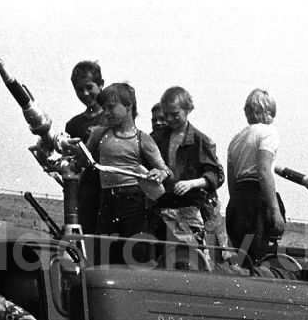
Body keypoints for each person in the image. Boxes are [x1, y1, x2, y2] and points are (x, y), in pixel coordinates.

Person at [81, 82, 170, 263]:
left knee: (136, 256)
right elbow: (82, 161)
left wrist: (160, 174)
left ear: (129, 105)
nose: (106, 112)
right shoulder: (100, 134)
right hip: (106, 201)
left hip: (133, 203)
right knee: (102, 256)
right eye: (104, 108)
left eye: (111, 107)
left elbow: (165, 170)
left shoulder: (142, 139)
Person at [149, 86, 224, 268]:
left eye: (174, 114)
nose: (169, 119)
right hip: (162, 207)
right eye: (166, 114)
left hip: (188, 209)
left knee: (190, 261)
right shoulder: (156, 138)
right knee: (160, 262)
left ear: (188, 109)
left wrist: (192, 183)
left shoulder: (201, 141)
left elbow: (217, 175)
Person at [226, 88, 284, 266]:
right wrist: (275, 211)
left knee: (242, 261)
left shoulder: (236, 139)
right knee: (257, 262)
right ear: (268, 112)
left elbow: (231, 182)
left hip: (236, 203)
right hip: (255, 202)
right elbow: (264, 171)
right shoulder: (269, 132)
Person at [65, 61, 106, 234]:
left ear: (101, 84)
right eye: (79, 89)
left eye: (89, 87)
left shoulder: (113, 119)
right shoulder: (73, 125)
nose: (85, 93)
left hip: (109, 193)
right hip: (84, 195)